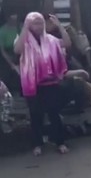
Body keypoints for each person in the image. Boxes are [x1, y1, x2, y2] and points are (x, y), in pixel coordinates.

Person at [14, 12, 71, 156]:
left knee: (54, 113)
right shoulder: (24, 40)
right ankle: (37, 144)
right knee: (35, 115)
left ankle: (60, 142)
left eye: (40, 23)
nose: (38, 26)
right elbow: (17, 50)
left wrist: (60, 26)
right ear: (29, 24)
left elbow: (67, 43)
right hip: (32, 84)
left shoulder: (50, 39)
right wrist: (25, 28)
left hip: (50, 83)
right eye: (35, 23)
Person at [43, 0, 91, 70]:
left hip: (68, 26)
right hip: (55, 27)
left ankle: (89, 63)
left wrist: (79, 29)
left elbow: (77, 14)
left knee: (82, 39)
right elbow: (46, 15)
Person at [0, 12, 21, 92]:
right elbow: (2, 51)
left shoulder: (21, 28)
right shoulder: (2, 31)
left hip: (20, 55)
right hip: (7, 57)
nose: (14, 20)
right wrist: (12, 64)